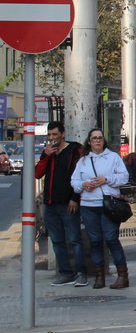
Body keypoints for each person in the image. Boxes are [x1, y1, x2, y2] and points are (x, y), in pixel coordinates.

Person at [72, 129, 131, 289]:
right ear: (89, 142)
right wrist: (83, 185)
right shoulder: (83, 160)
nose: (97, 141)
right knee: (95, 241)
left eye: (100, 138)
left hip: (108, 206)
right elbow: (74, 181)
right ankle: (99, 277)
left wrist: (106, 179)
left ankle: (122, 276)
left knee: (111, 239)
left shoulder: (113, 157)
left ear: (103, 141)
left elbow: (124, 177)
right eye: (94, 138)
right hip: (88, 206)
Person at [35, 122, 89, 287]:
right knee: (57, 240)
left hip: (68, 203)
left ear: (62, 134)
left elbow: (82, 174)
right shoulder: (48, 153)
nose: (52, 138)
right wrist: (46, 156)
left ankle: (81, 273)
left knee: (74, 239)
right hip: (50, 204)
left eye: (55, 135)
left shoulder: (74, 150)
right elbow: (37, 174)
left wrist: (74, 197)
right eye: (49, 135)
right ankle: (66, 273)